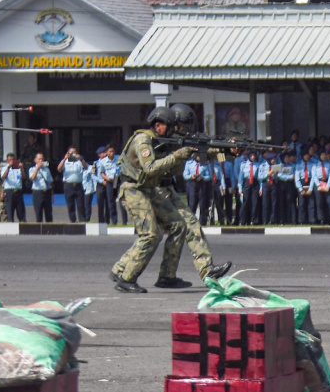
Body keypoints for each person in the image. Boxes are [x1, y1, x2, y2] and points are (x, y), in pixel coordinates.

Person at [109, 107, 230, 293]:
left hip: (150, 188)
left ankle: (163, 275)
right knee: (151, 234)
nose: (177, 129)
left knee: (179, 226)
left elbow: (181, 166)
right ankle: (126, 277)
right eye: (174, 125)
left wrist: (227, 151)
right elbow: (150, 168)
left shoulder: (164, 140)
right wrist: (177, 155)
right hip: (137, 188)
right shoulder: (144, 139)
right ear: (159, 125)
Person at [58, 146, 87, 223]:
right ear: (68, 153)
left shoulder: (79, 161)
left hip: (78, 185)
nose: (73, 154)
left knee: (81, 204)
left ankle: (82, 219)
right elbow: (59, 169)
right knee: (70, 204)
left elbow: (85, 166)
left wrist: (80, 158)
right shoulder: (65, 161)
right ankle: (73, 220)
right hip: (68, 185)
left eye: (75, 152)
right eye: (71, 152)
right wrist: (64, 159)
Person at [29, 152, 54, 222]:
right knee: (38, 212)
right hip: (38, 192)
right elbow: (32, 178)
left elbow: (50, 182)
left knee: (49, 212)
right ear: (35, 160)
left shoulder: (47, 169)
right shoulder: (32, 169)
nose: (41, 161)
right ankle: (39, 229)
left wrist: (52, 194)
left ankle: (49, 229)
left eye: (42, 159)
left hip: (47, 191)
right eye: (39, 159)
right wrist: (37, 168)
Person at [1, 153, 26, 221]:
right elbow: (3, 176)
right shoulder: (4, 168)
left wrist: (21, 169)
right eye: (10, 159)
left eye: (13, 159)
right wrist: (9, 167)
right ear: (7, 160)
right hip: (9, 191)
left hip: (18, 191)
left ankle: (23, 224)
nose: (12, 161)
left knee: (21, 211)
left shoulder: (18, 168)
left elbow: (23, 177)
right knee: (10, 211)